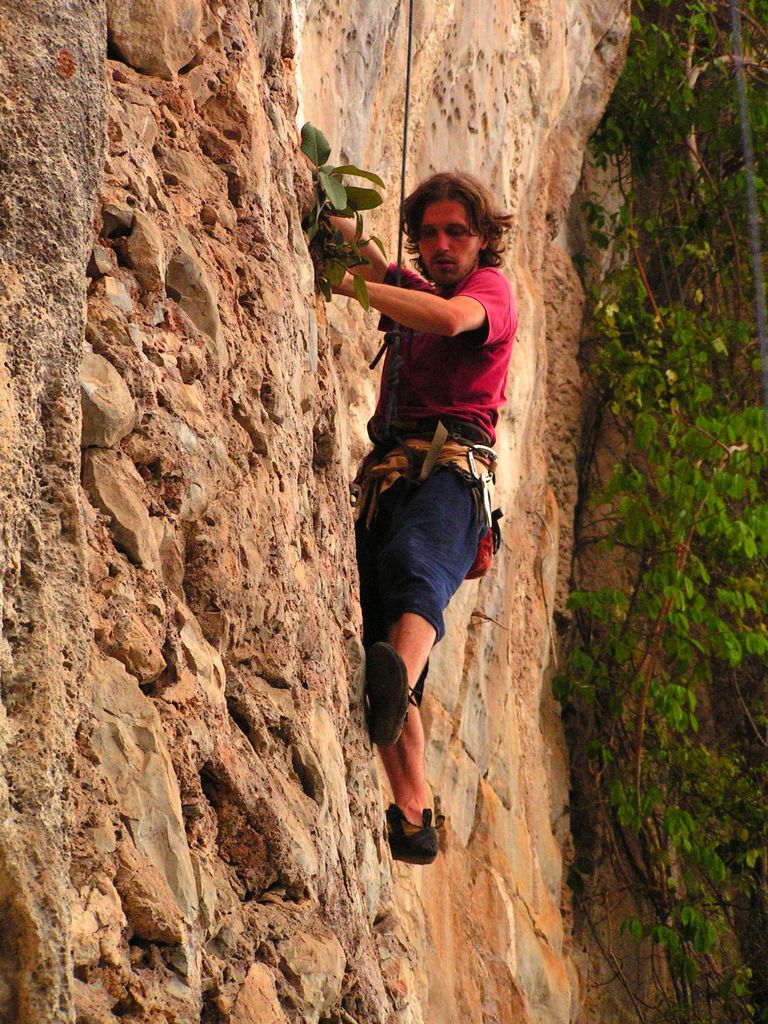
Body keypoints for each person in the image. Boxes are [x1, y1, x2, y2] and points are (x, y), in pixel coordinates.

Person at [330, 172, 517, 864]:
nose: (442, 245)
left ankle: (399, 678)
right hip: (391, 478)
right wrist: (316, 195)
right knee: (373, 629)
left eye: (457, 233)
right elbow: (367, 263)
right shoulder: (413, 290)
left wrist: (358, 290)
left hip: (453, 474)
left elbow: (446, 320)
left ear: (482, 240)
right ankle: (413, 809)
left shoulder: (488, 292)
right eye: (430, 233)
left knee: (416, 575)